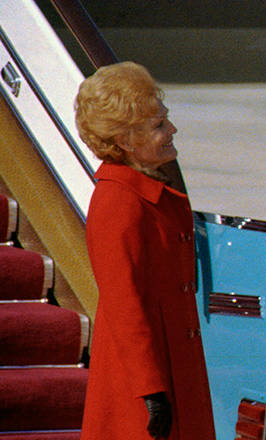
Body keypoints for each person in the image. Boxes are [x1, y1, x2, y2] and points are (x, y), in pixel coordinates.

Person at [75, 61, 214, 439]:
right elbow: (125, 305)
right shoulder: (118, 201)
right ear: (125, 141)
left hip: (176, 370)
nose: (172, 130)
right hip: (141, 382)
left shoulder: (148, 194)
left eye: (165, 119)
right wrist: (150, 391)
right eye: (158, 126)